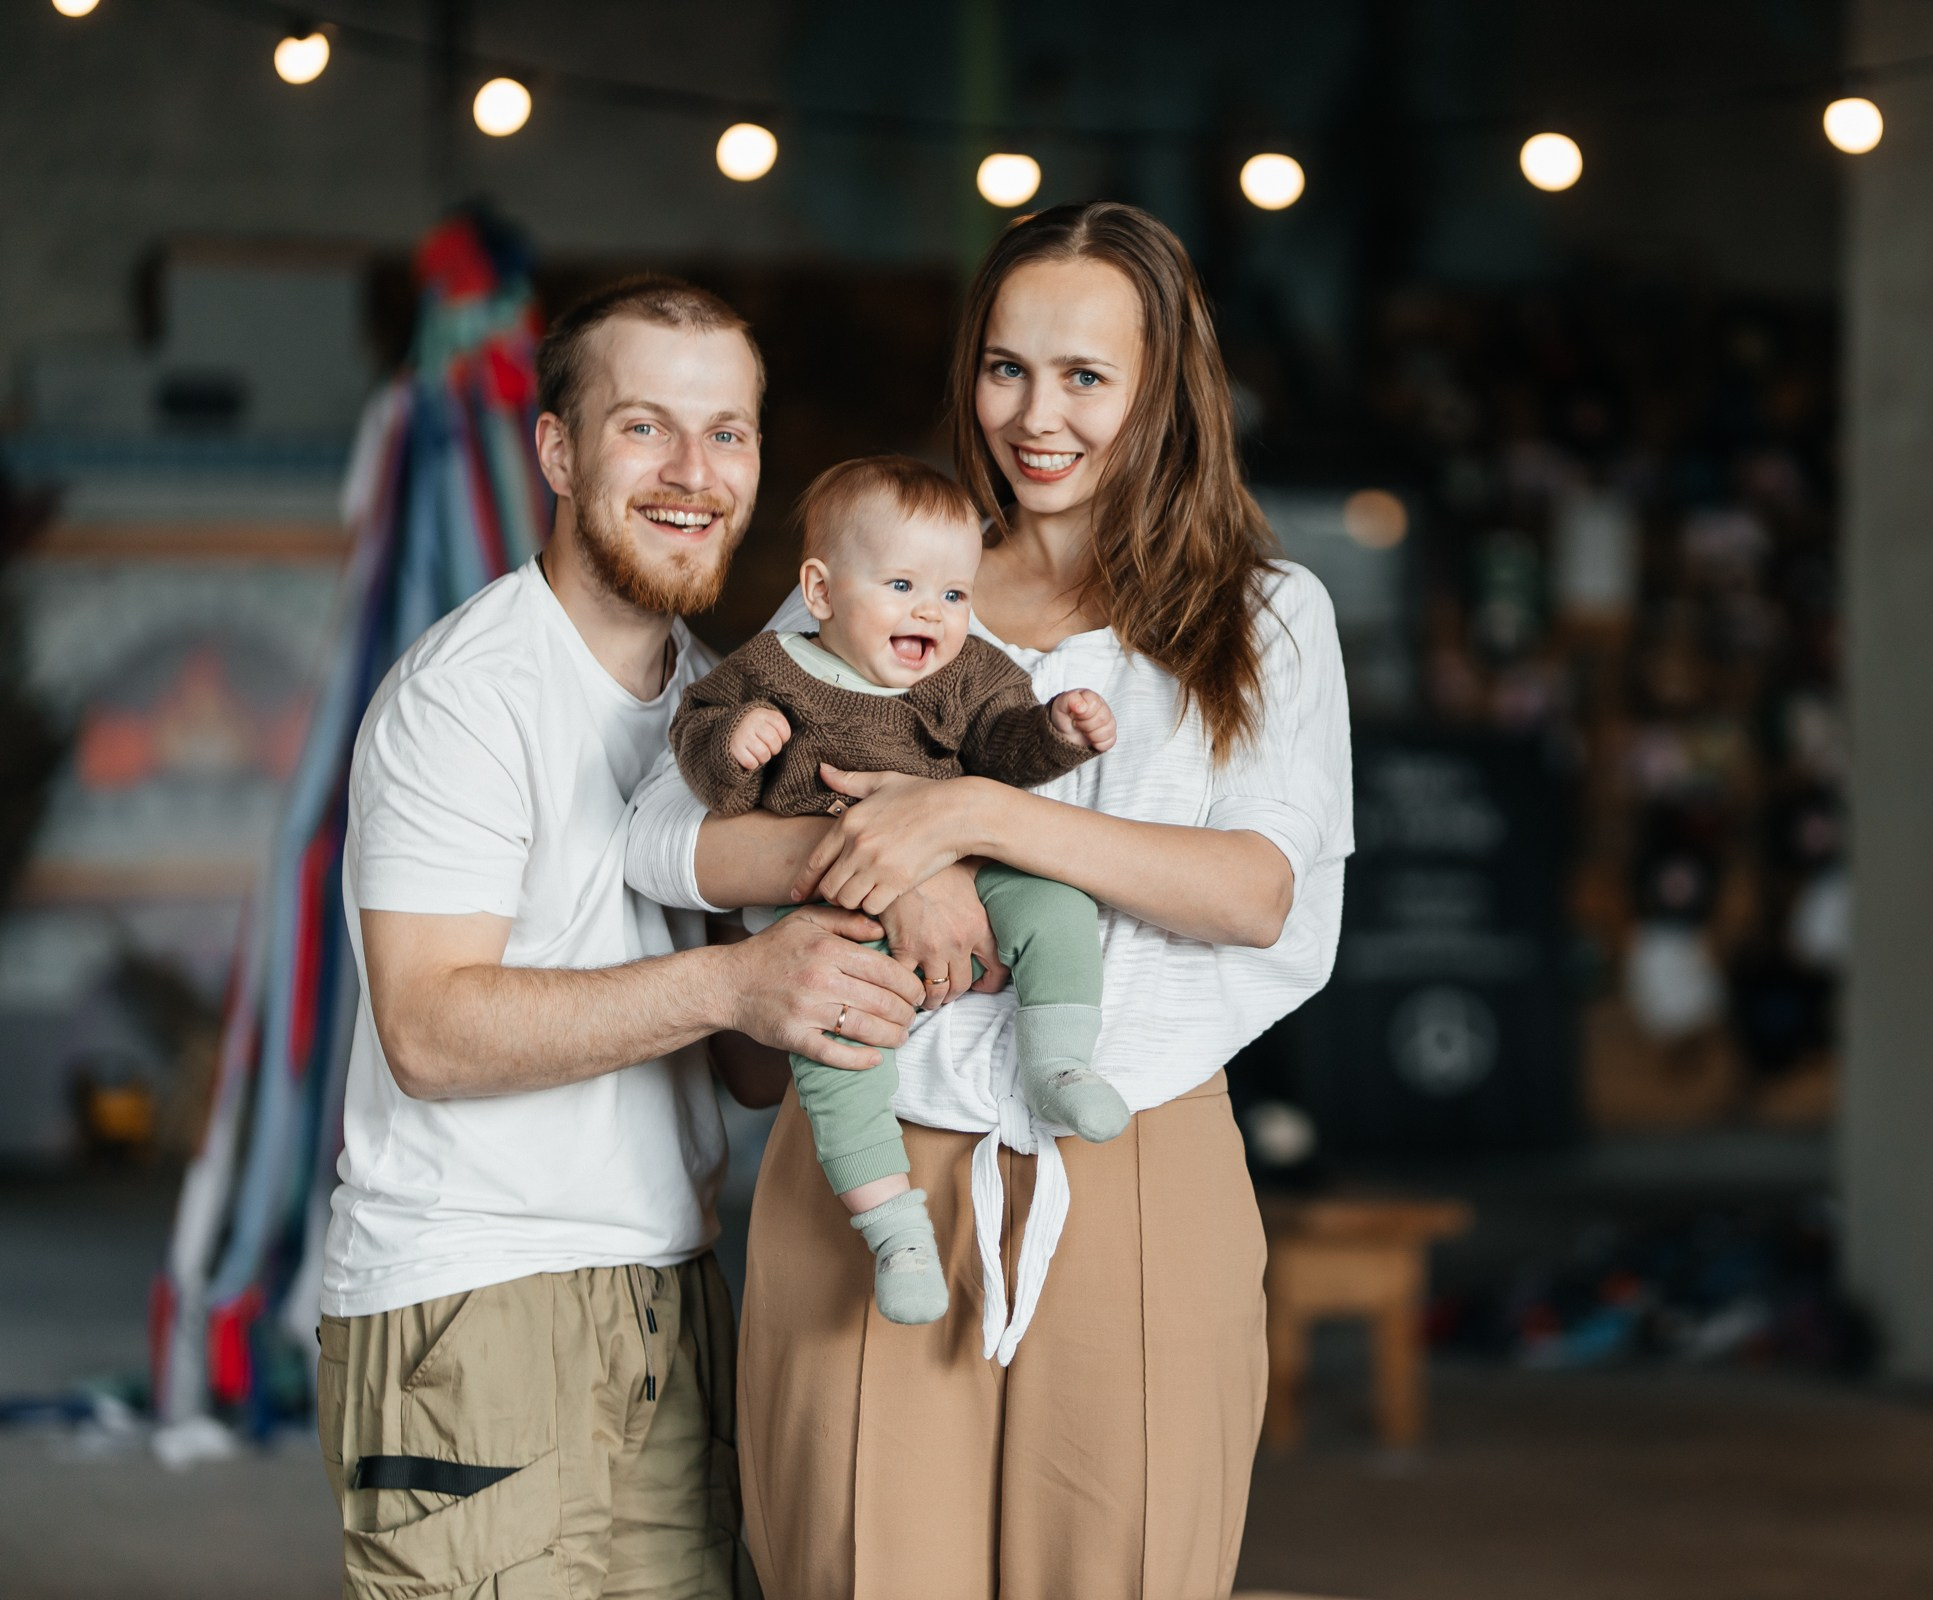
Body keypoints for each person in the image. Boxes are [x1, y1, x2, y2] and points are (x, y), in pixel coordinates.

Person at [627, 202, 1354, 1599]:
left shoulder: (1262, 617)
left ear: (1162, 393)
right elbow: (671, 839)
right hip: (869, 1164)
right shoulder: (880, 581)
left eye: (1087, 376)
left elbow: (1257, 892)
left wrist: (967, 814)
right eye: (1007, 367)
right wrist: (883, 866)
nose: (1040, 416)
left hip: (1138, 1156)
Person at [315, 276, 925, 1600]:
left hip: (671, 1289)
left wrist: (846, 930)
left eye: (729, 433)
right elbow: (427, 1030)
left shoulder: (729, 706)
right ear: (557, 449)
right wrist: (736, 977)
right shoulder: (467, 700)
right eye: (645, 427)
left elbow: (748, 1064)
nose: (694, 473)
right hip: (476, 1300)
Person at [668, 452, 1125, 1327]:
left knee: (1058, 904)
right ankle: (894, 1232)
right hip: (835, 919)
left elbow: (1006, 752)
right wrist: (737, 743)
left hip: (972, 883)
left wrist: (1056, 734)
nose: (933, 612)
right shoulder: (770, 671)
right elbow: (699, 755)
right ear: (823, 590)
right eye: (905, 584)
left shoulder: (967, 675)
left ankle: (1060, 1059)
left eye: (955, 594)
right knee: (837, 1059)